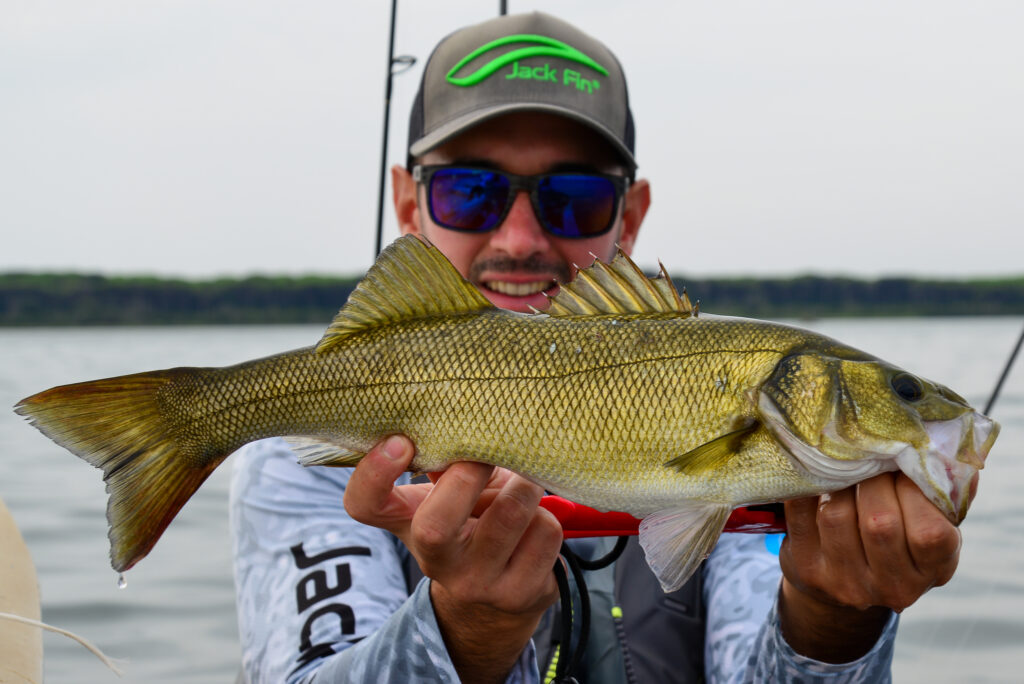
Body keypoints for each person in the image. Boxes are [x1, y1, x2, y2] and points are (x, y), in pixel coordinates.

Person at [230, 12, 966, 684]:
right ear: (407, 204)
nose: (519, 240)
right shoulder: (299, 447)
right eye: (469, 192)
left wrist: (836, 621)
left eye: (575, 197)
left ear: (632, 214)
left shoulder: (776, 452)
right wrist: (466, 632)